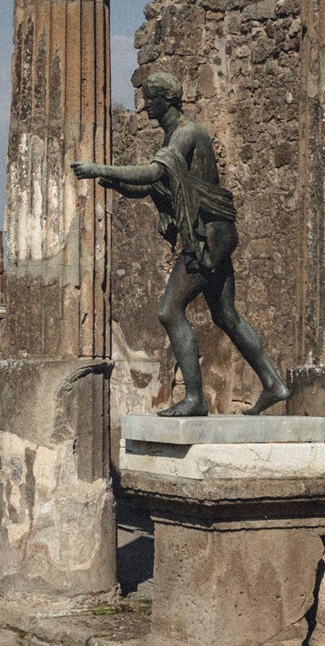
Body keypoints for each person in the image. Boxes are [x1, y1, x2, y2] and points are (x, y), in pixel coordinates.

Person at [71, 70, 289, 417]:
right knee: (226, 315)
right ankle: (273, 384)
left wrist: (102, 168)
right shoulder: (175, 137)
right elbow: (150, 187)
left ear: (167, 100)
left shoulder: (187, 135)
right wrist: (112, 182)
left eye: (150, 100)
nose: (144, 108)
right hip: (215, 232)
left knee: (169, 311)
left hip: (207, 236)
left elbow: (154, 174)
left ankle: (195, 399)